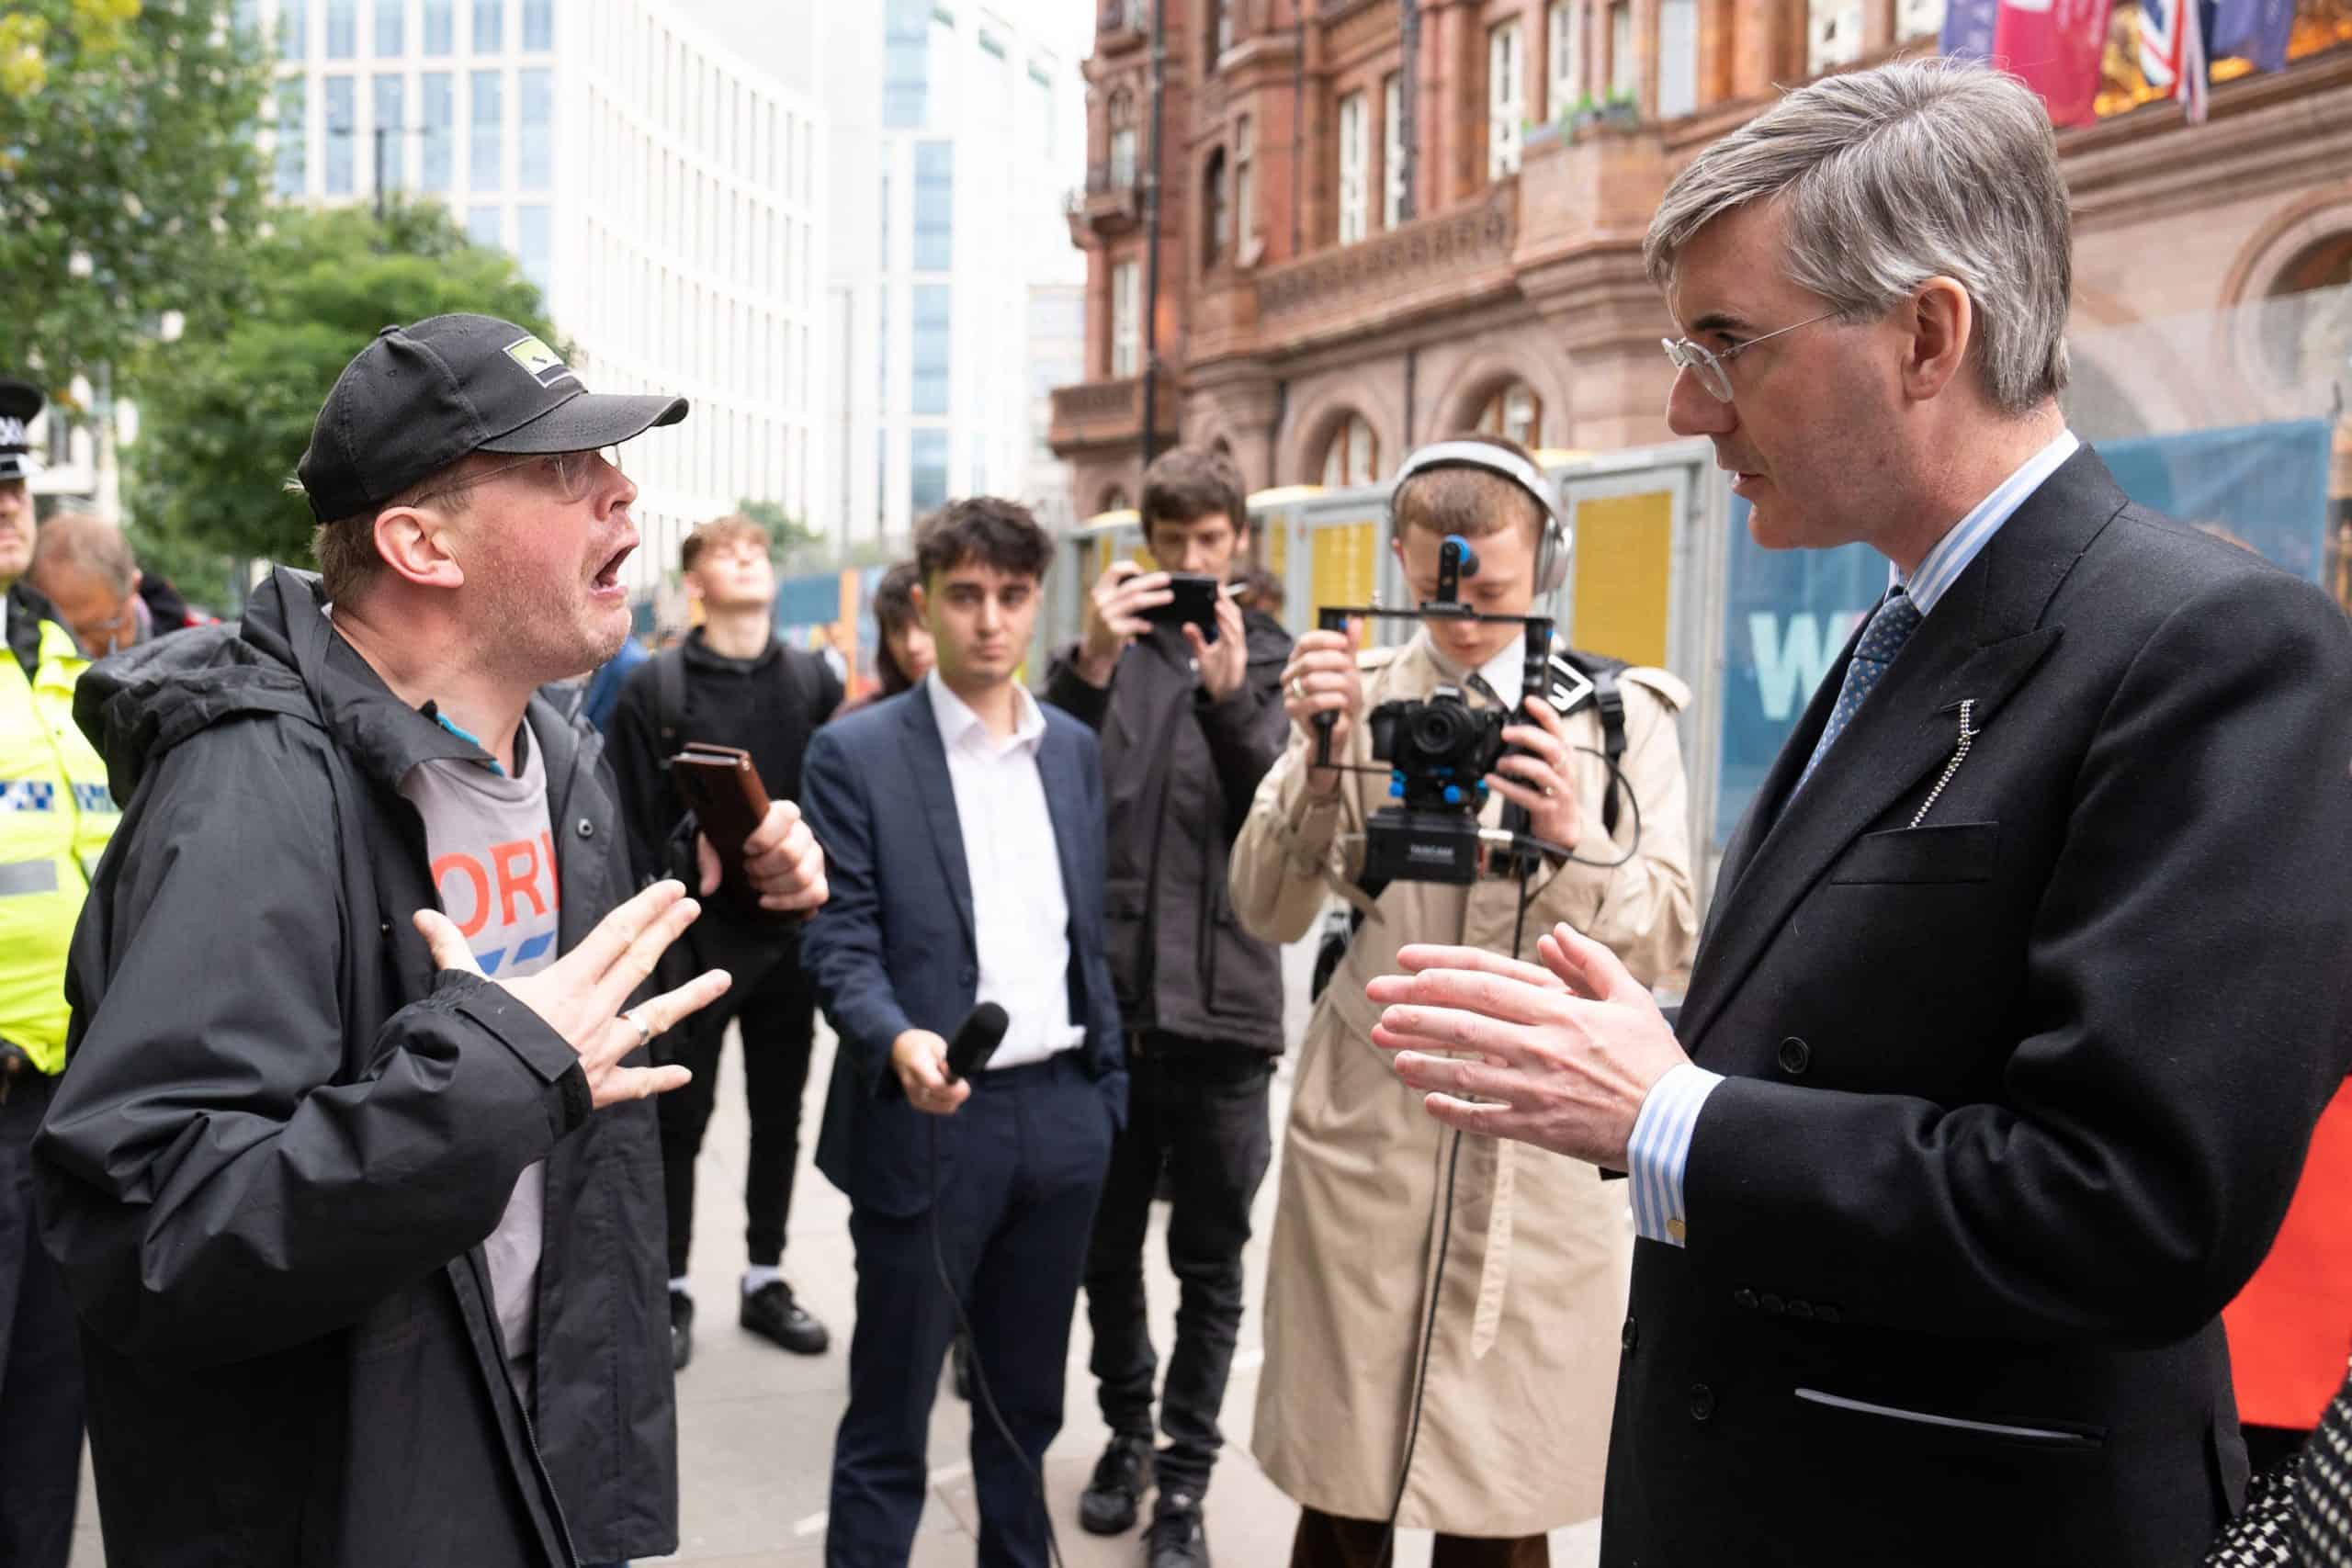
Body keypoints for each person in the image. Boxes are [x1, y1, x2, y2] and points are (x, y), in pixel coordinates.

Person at [1359, 60, 2352, 1567]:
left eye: (1729, 344)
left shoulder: (2211, 646)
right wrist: (1646, 1040)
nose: (1691, 405)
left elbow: (2131, 1208)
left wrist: (1668, 1111)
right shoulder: (1914, 621)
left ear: (1926, 334)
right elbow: (1906, 1026)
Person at [31, 314, 829, 1568]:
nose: (623, 490)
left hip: (545, 1453)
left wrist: (741, 906)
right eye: (568, 469)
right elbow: (153, 1232)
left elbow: (590, 1057)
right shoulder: (249, 793)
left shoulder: (558, 757)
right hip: (356, 1502)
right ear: (418, 540)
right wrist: (489, 1080)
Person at [1232, 431, 1697, 1567]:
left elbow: (1674, 939)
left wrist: (1575, 839)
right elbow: (1267, 907)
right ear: (1401, 559)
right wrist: (1313, 750)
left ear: (1546, 560)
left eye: (1492, 587)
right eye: (1439, 587)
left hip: (1533, 1153)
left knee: (1499, 1509)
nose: (1464, 616)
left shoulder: (1616, 721)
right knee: (1339, 1493)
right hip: (1368, 1133)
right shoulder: (1357, 695)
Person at [799, 497, 1126, 1568]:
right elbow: (837, 941)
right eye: (967, 596)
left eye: (1013, 597)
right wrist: (894, 1040)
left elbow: (1089, 930)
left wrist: (1103, 1103)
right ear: (927, 608)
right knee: (890, 1419)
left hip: (1064, 1115)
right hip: (930, 1119)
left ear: (1038, 604)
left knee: (1024, 1412)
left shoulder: (1072, 750)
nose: (991, 620)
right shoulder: (855, 754)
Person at [1040, 447, 1291, 1567]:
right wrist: (1087, 667)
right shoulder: (1113, 659)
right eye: (1173, 541)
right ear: (1148, 543)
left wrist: (1237, 700)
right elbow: (1042, 784)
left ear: (1236, 541)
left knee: (1210, 1262)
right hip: (1112, 1014)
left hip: (1228, 1014)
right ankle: (1126, 1437)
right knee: (1105, 1254)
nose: (1192, 561)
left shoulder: (1274, 658)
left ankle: (1185, 1479)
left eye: (1210, 540)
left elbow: (1284, 822)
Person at [605, 512, 842, 1369]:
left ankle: (765, 1277)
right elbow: (628, 828)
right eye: (723, 550)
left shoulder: (817, 680)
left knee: (781, 1114)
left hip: (791, 941)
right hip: (693, 942)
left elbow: (839, 811)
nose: (747, 555)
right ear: (695, 582)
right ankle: (669, 1286)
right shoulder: (655, 688)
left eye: (758, 548)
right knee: (680, 1116)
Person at [0, 374, 117, 1568]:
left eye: (13, 475)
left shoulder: (55, 661)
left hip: (63, 1124)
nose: (5, 499)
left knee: (45, 1443)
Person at [26, 508, 208, 659]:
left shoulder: (200, 653)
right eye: (58, 630)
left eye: (93, 628)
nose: (78, 648)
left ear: (134, 587)